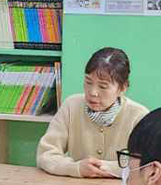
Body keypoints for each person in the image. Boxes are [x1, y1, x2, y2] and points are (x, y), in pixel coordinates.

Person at [37, 47, 148, 178]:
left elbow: (145, 164)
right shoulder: (71, 106)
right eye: (88, 82)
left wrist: (102, 168)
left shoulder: (139, 116)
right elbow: (46, 154)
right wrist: (76, 168)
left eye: (103, 86)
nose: (92, 92)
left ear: (123, 87)